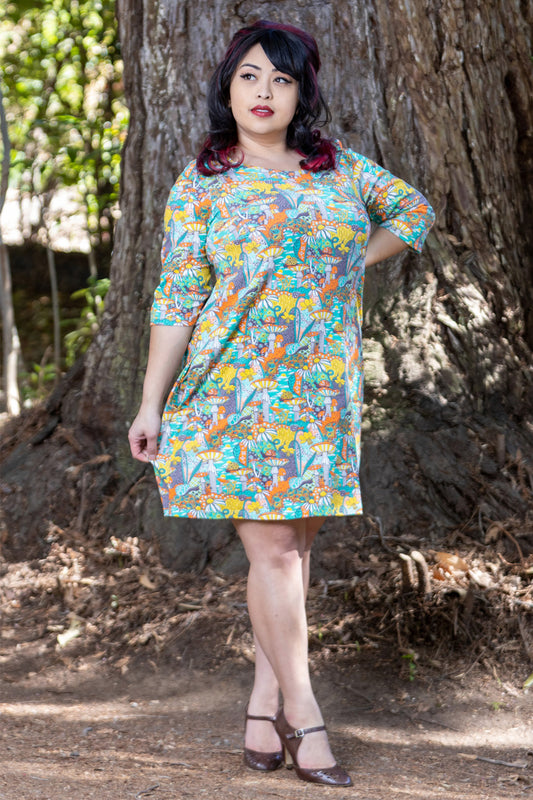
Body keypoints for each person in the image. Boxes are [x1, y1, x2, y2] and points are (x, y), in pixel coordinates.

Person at [128, 19, 435, 787]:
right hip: (232, 394)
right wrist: (149, 405)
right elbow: (176, 300)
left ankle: (261, 704)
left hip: (319, 398)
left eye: (281, 80)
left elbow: (415, 214)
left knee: (293, 555)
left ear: (302, 93)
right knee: (271, 553)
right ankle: (305, 713)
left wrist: (349, 266)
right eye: (249, 78)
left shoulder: (339, 171)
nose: (264, 93)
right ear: (226, 89)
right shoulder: (204, 181)